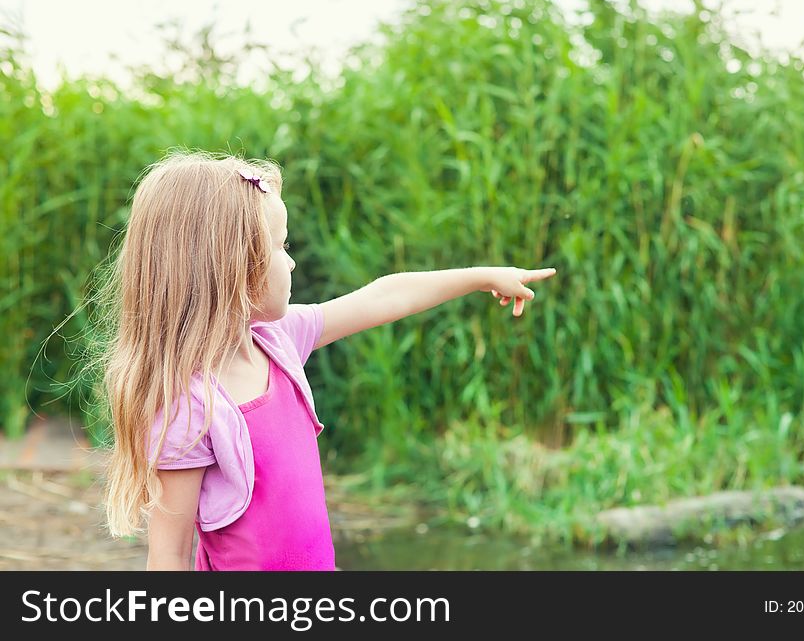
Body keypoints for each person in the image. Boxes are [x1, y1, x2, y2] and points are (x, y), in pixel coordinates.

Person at [102, 150, 556, 570]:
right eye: (281, 246)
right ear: (230, 265)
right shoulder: (189, 406)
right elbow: (170, 555)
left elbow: (383, 296)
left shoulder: (277, 342)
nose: (292, 263)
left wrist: (480, 277)